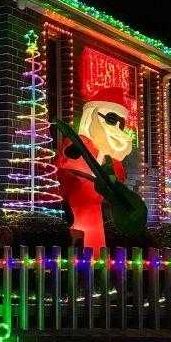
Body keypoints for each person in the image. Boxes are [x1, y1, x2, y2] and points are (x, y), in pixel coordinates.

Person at [55, 88, 135, 250]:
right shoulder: (80, 144)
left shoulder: (109, 156)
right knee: (82, 243)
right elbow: (66, 165)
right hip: (75, 207)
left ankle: (96, 265)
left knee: (95, 244)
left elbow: (118, 179)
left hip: (97, 208)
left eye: (122, 123)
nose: (117, 128)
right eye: (112, 119)